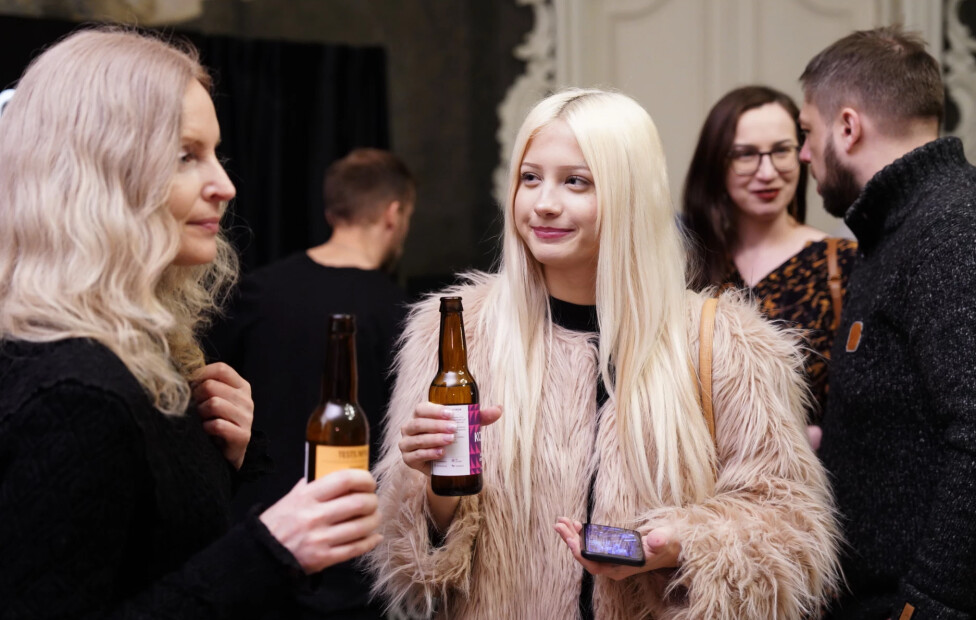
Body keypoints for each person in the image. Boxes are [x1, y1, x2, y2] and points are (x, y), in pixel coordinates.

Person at [367, 88, 840, 619]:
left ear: (629, 194)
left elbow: (791, 532)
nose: (544, 202)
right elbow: (410, 571)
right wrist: (435, 489)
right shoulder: (454, 335)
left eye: (576, 181)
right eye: (530, 178)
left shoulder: (723, 344)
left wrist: (678, 542)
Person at [0, 28, 382, 618]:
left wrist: (225, 461)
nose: (225, 186)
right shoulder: (73, 387)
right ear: (102, 173)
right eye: (186, 156)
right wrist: (272, 550)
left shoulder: (141, 354)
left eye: (215, 153)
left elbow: (151, 552)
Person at [798, 26, 976, 620]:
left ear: (849, 127)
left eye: (808, 133)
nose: (804, 154)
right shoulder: (896, 229)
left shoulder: (953, 232)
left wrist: (926, 607)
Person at [207, 148, 415, 619]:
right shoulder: (402, 315)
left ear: (331, 211)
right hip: (354, 554)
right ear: (393, 213)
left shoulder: (254, 293)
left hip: (256, 548)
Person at [681, 85, 857, 440]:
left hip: (807, 484)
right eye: (745, 155)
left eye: (781, 151)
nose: (767, 172)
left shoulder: (841, 262)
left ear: (802, 154)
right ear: (717, 162)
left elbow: (867, 401)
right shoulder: (686, 263)